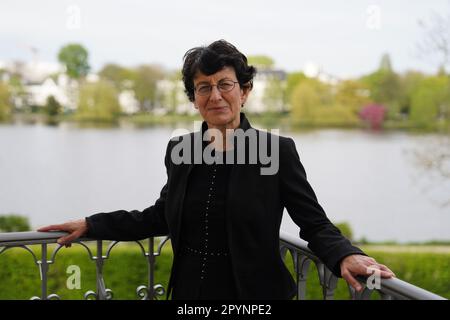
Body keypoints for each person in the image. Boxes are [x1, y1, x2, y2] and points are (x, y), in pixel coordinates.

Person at [38, 40, 395, 300]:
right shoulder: (181, 149)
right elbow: (161, 214)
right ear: (194, 100)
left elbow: (313, 222)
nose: (215, 96)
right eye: (203, 88)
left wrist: (345, 254)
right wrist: (92, 224)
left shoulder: (276, 151)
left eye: (225, 84)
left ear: (245, 91)